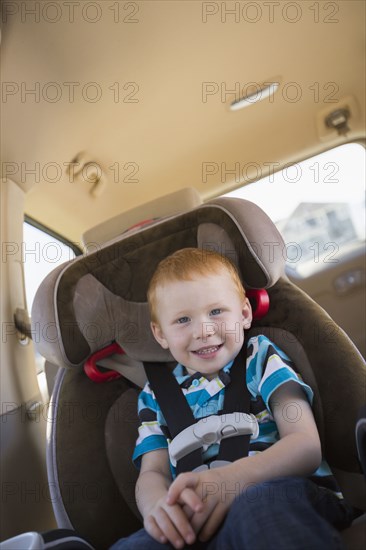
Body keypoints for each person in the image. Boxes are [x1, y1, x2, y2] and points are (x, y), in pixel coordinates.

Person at [111, 248, 353, 550]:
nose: (204, 330)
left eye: (216, 312)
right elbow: (153, 472)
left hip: (279, 493)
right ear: (160, 335)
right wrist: (159, 508)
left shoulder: (260, 358)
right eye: (183, 320)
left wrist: (233, 481)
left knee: (260, 509)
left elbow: (306, 446)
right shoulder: (154, 396)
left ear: (244, 313)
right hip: (197, 519)